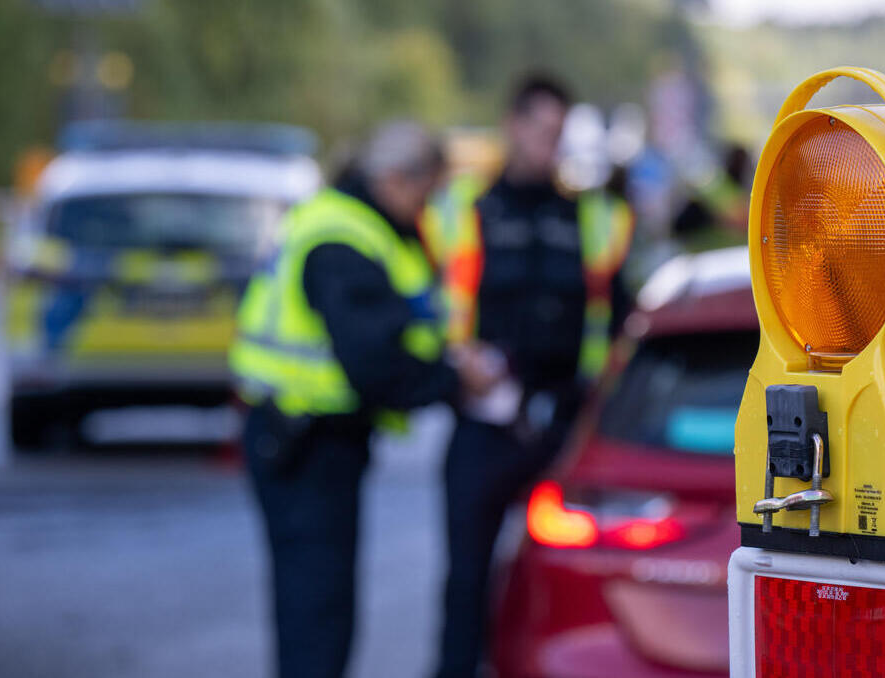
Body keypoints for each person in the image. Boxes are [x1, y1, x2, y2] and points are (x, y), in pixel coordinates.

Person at [229, 121, 496, 678]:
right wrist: (454, 381)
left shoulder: (347, 222)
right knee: (317, 615)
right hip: (307, 444)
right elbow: (376, 365)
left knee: (314, 607)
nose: (429, 207)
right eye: (427, 193)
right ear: (396, 180)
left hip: (304, 437)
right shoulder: (344, 239)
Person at [423, 75, 633, 678]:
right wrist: (453, 363)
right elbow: (423, 303)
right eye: (541, 130)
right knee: (466, 577)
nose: (551, 144)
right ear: (512, 125)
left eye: (559, 132)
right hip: (484, 419)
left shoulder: (594, 217)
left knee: (560, 575)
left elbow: (622, 319)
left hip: (566, 423)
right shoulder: (464, 210)